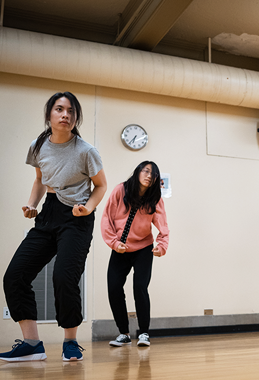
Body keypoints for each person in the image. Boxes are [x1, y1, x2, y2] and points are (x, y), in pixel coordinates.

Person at [1, 92, 107, 362]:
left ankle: (70, 342)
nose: (65, 115)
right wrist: (31, 204)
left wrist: (89, 208)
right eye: (59, 109)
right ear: (49, 114)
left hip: (77, 216)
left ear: (76, 117)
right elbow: (39, 179)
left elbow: (101, 185)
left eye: (71, 111)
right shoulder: (38, 145)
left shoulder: (85, 150)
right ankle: (32, 343)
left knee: (63, 277)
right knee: (15, 275)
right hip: (48, 213)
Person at [101, 161, 169, 347]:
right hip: (120, 249)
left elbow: (163, 225)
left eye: (153, 174)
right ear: (138, 172)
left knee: (140, 287)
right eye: (146, 171)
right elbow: (106, 218)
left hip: (143, 248)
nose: (149, 176)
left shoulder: (155, 197)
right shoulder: (120, 190)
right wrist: (114, 243)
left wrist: (161, 246)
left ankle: (144, 333)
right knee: (114, 288)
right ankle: (123, 333)